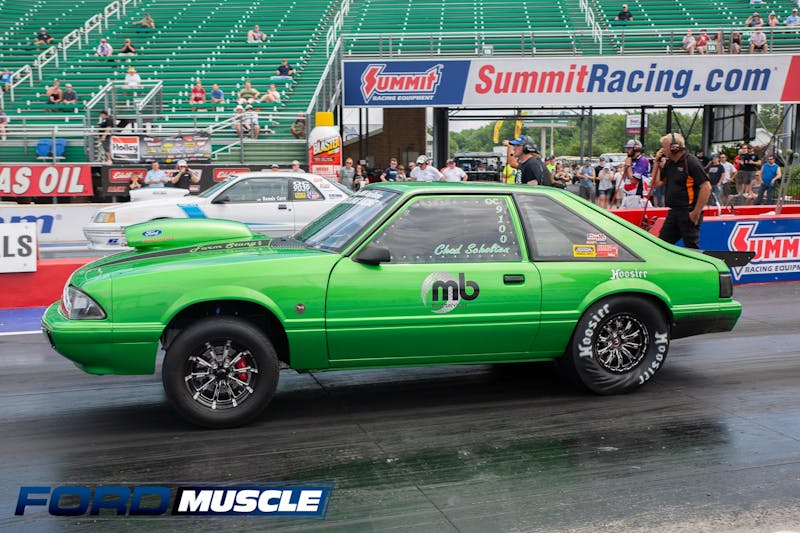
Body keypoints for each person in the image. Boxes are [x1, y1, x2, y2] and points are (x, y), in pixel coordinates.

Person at [651, 133, 710, 249]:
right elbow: (657, 184)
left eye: (665, 146)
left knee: (691, 247)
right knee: (662, 245)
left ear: (675, 147)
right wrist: (656, 163)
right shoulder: (669, 163)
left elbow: (706, 187)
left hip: (688, 211)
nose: (662, 150)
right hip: (674, 211)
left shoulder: (691, 162)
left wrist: (695, 213)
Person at [620, 139, 651, 208]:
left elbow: (634, 180)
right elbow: (624, 178)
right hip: (628, 195)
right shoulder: (630, 160)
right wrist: (626, 166)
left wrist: (629, 166)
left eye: (629, 148)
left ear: (636, 149)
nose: (627, 151)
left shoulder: (642, 160)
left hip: (638, 197)